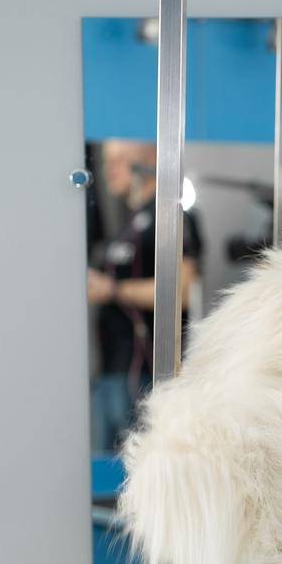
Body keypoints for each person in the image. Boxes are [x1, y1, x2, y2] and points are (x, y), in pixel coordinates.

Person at [87, 140, 200, 451]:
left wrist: (111, 290)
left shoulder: (170, 216)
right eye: (107, 161)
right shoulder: (126, 221)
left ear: (146, 161)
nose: (109, 170)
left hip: (143, 377)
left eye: (119, 161)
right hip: (111, 370)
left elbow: (182, 291)